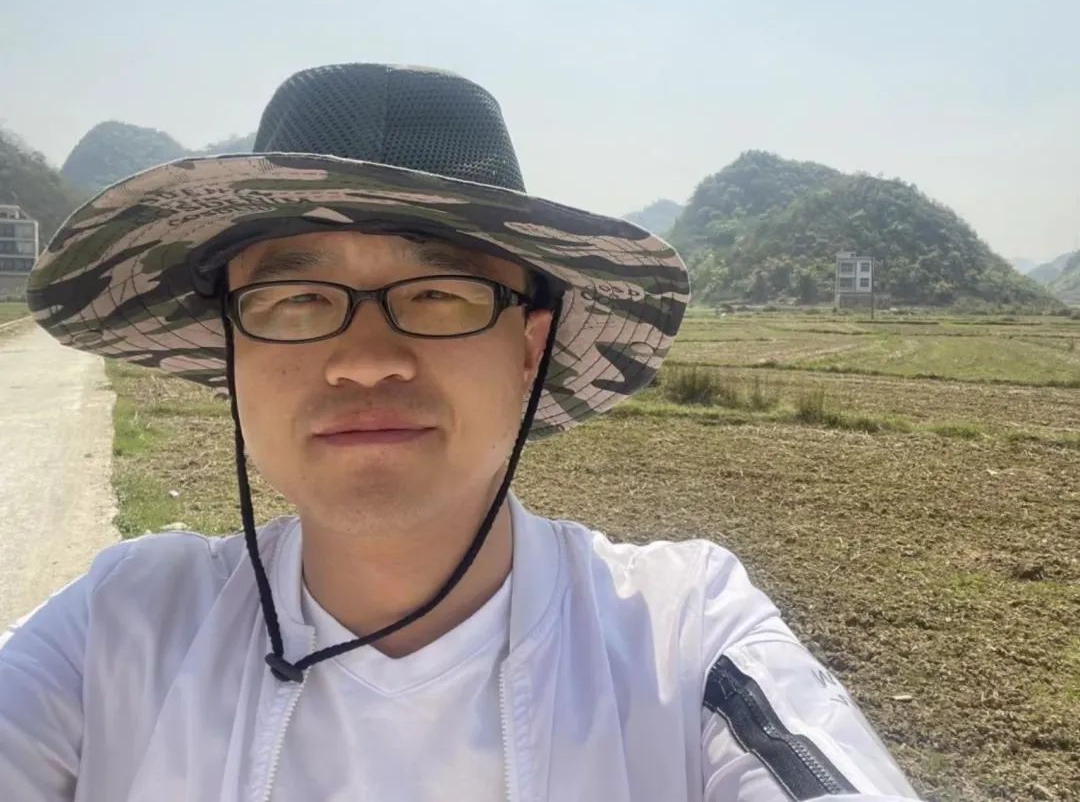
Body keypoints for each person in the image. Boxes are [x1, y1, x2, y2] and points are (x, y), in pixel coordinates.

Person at [0, 63, 920, 801]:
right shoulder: (118, 632)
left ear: (529, 349)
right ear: (233, 348)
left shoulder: (679, 639)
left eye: (439, 292)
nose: (366, 360)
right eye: (295, 297)